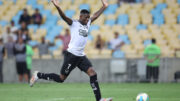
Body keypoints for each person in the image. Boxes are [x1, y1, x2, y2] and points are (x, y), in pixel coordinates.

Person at [30, 0, 112, 101]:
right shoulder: (74, 23)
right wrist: (58, 7)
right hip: (71, 56)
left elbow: (95, 15)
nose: (88, 19)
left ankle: (99, 99)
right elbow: (64, 17)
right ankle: (38, 75)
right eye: (86, 17)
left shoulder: (88, 23)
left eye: (88, 17)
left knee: (92, 73)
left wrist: (104, 6)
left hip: (81, 56)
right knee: (61, 79)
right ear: (80, 16)